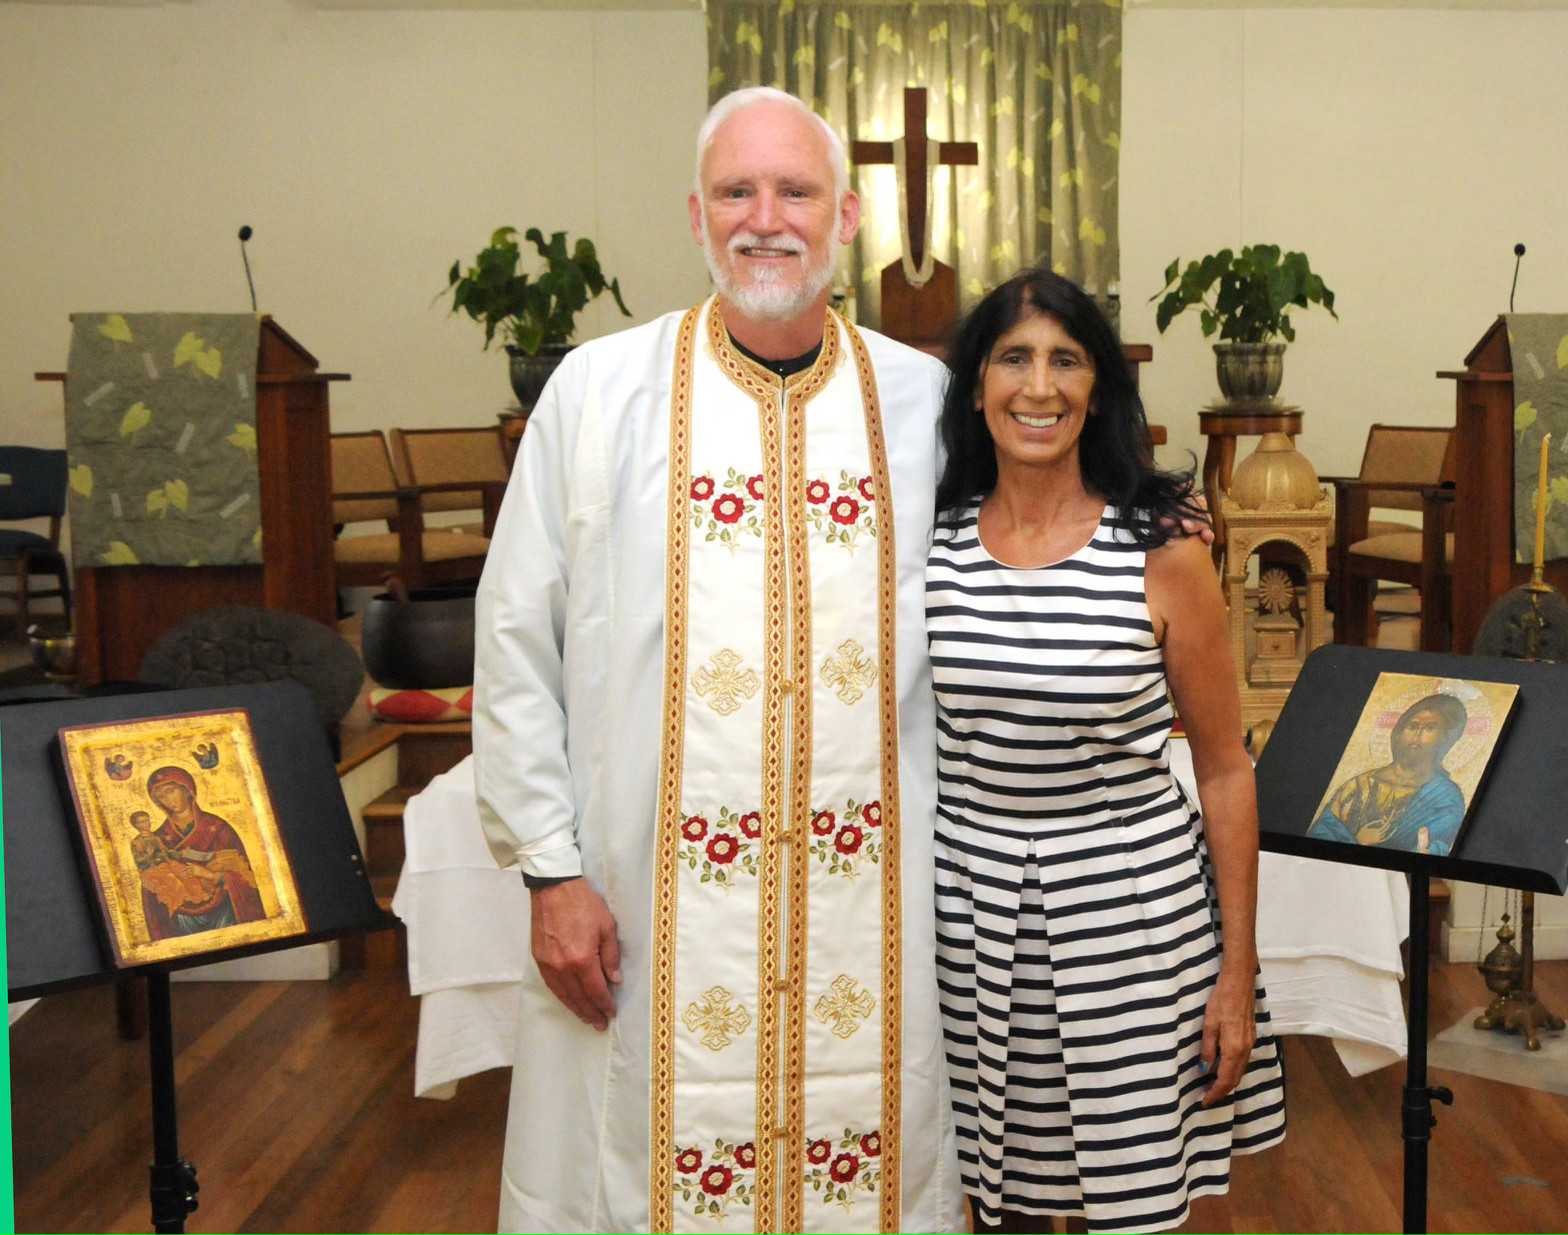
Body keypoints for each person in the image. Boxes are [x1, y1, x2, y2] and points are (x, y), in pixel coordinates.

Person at [473, 86, 964, 1233]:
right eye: (736, 191)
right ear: (694, 217)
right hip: (637, 901)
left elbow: (1026, 553)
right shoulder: (595, 397)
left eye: (794, 190)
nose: (764, 218)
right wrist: (549, 869)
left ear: (844, 217)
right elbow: (511, 639)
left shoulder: (926, 403)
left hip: (874, 910)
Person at [926, 270, 1286, 1234]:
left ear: (1097, 388)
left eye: (1065, 360)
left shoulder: (1161, 547)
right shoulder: (929, 541)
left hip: (1130, 918)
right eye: (1013, 358)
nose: (1037, 387)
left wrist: (1236, 969)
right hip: (966, 912)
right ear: (974, 385)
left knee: (1124, 1200)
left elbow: (1222, 765)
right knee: (993, 1196)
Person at [1310, 693, 1468, 856]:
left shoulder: (1445, 797)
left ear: (1445, 739)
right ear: (1398, 733)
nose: (1417, 735)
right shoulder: (1358, 785)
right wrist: (1359, 842)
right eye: (1412, 726)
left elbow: (1438, 846)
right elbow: (1319, 838)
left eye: (1429, 728)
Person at [140, 765, 264, 938]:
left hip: (225, 911)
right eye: (160, 796)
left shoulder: (218, 828)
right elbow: (154, 887)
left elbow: (245, 879)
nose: (167, 800)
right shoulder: (158, 839)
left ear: (187, 789)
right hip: (183, 917)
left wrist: (209, 875)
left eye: (171, 791)